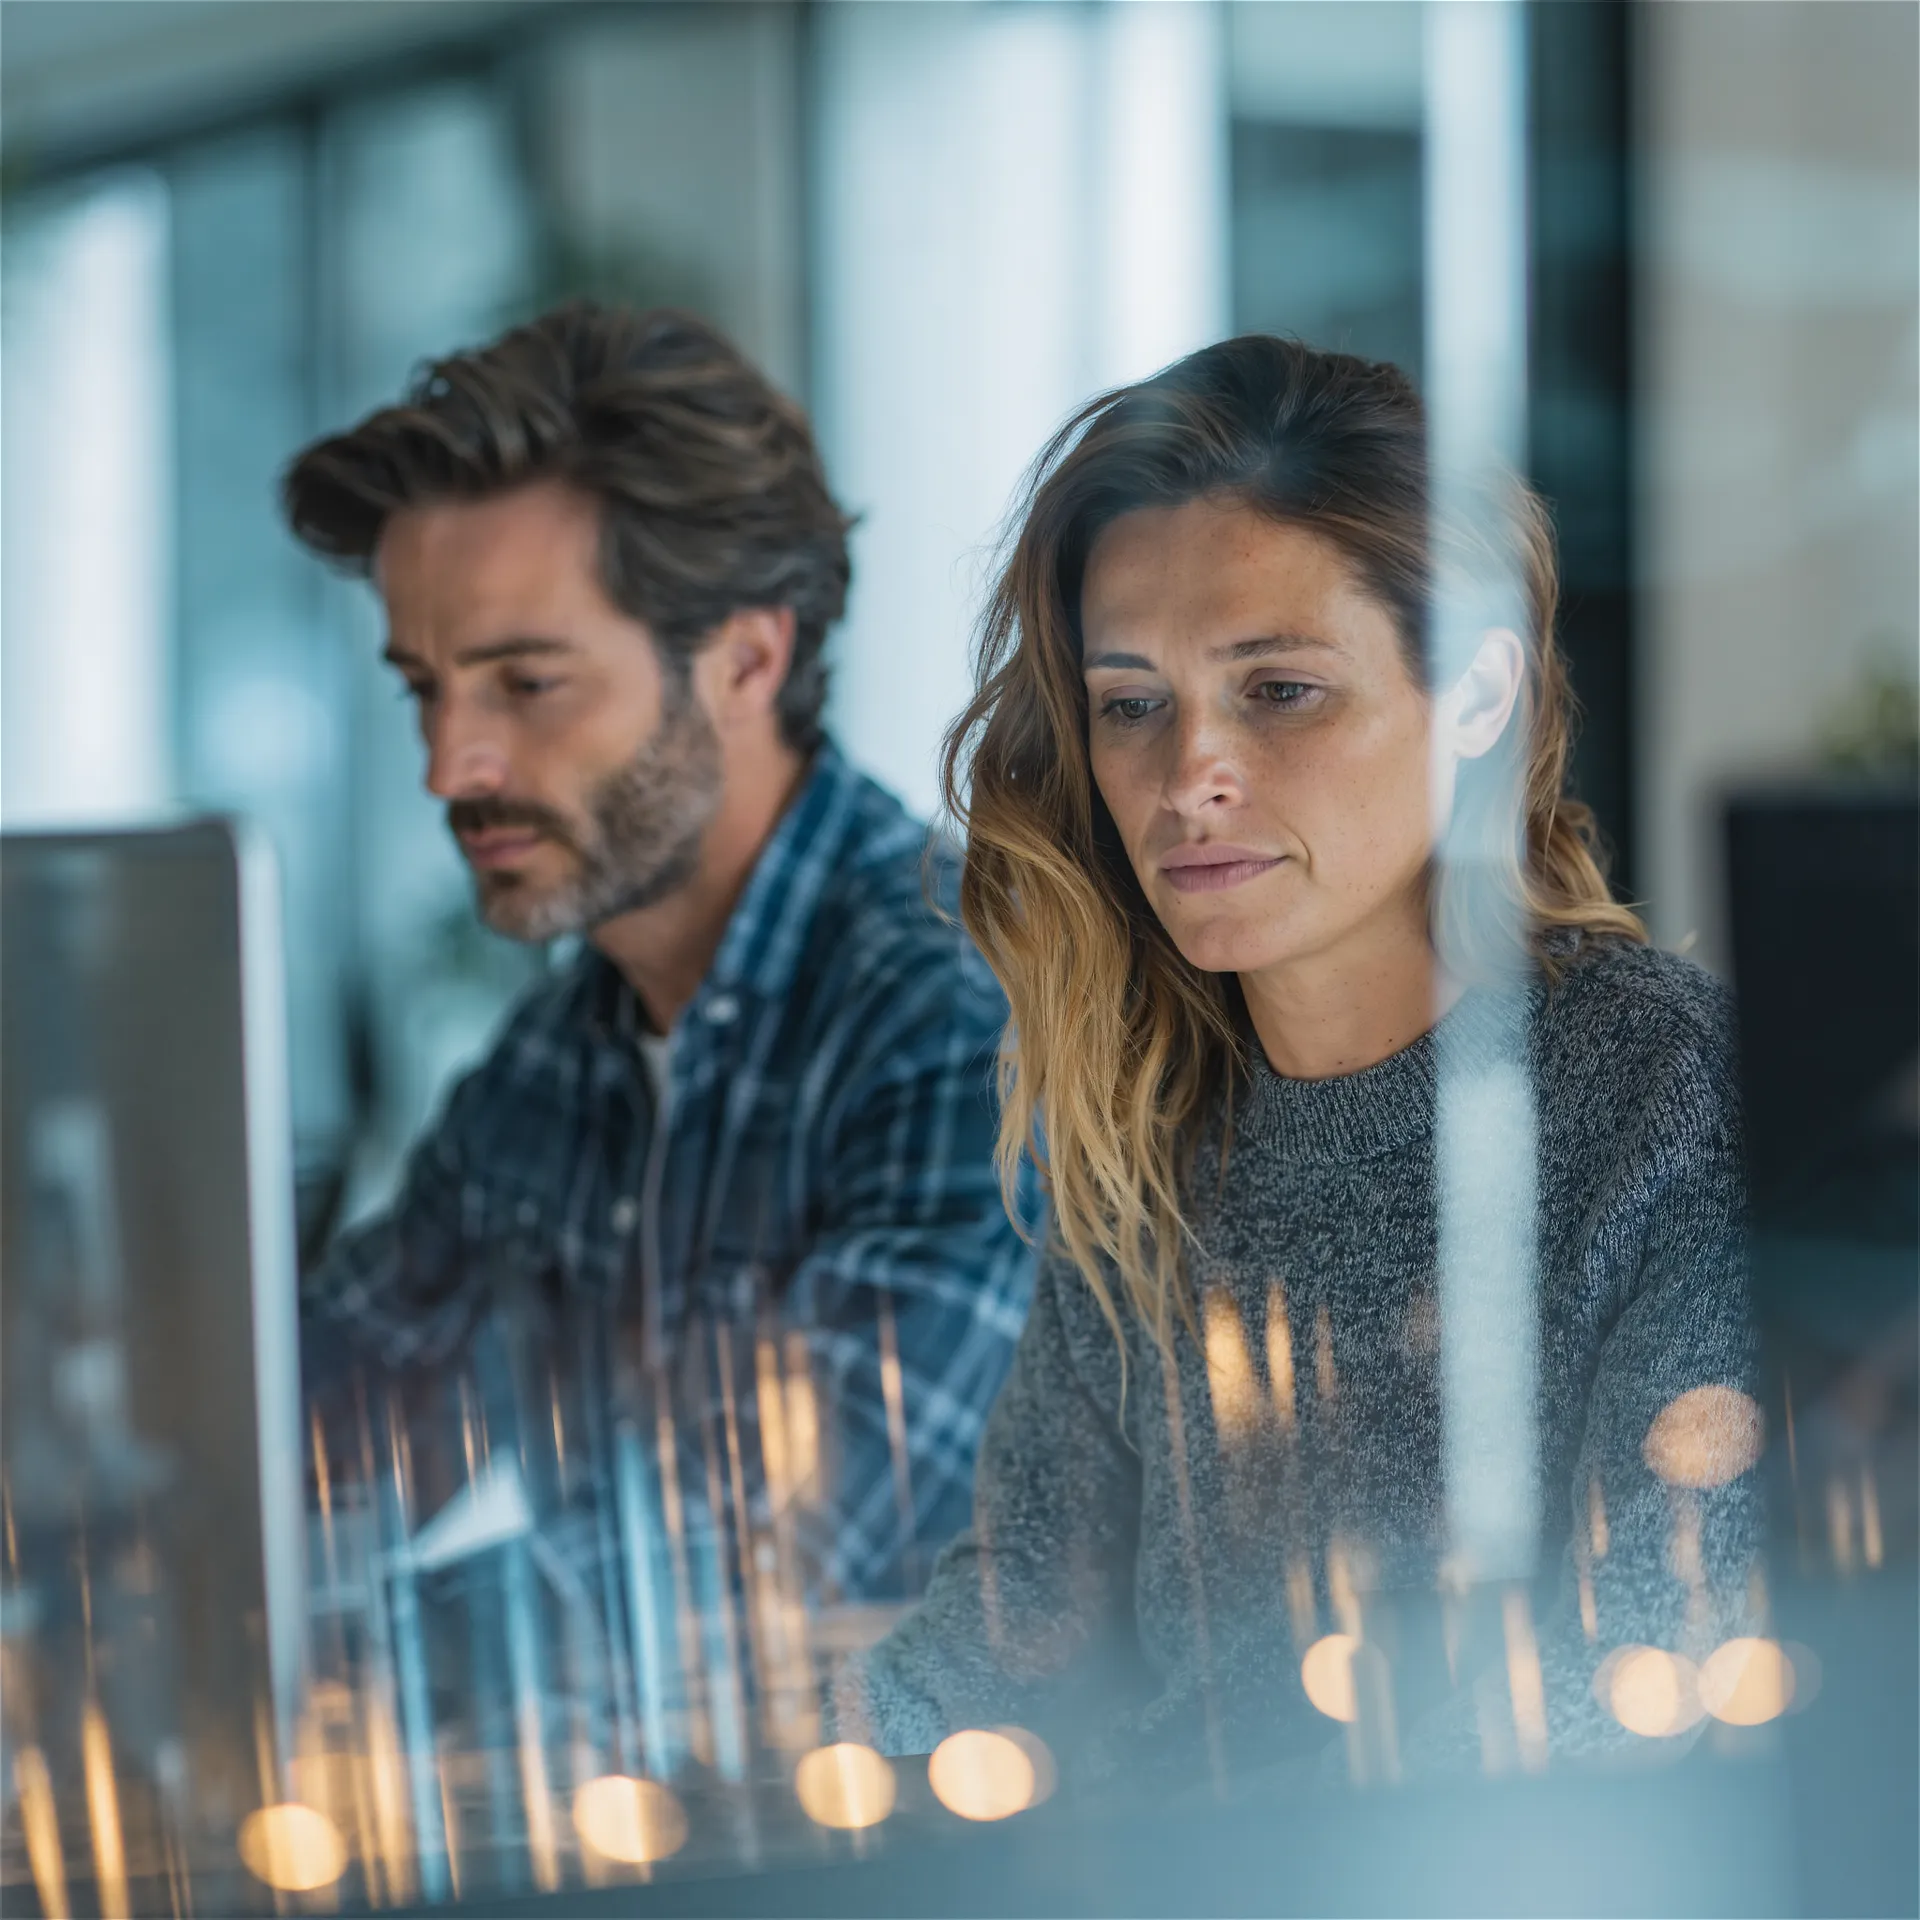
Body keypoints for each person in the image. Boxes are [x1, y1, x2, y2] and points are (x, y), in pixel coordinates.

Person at [838, 337, 1760, 1784]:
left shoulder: (1670, 1097)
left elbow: (1649, 1671)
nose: (1188, 773)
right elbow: (1021, 1629)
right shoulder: (1150, 1133)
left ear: (1475, 694)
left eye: (1280, 690)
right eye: (1131, 703)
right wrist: (814, 1755)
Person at [284, 303, 1034, 1603]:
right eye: (424, 687)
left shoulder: (956, 1007)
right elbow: (308, 1439)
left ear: (745, 661)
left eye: (527, 684)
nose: (446, 765)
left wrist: (359, 1656)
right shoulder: (560, 1057)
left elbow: (785, 1567)